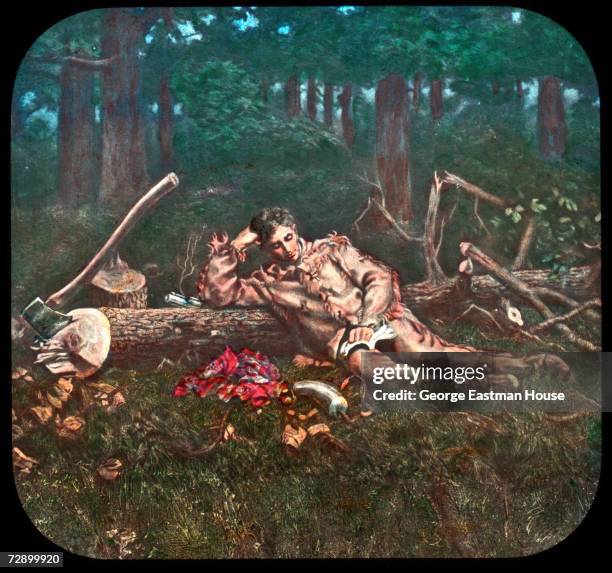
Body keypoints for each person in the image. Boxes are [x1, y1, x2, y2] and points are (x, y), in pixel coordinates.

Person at [196, 207, 482, 379]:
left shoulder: (332, 249)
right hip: (343, 343)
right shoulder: (270, 282)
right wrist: (233, 246)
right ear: (265, 249)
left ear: (294, 230)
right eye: (276, 246)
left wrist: (366, 322)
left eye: (288, 238)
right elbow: (219, 294)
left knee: (420, 351)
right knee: (365, 364)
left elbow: (378, 277)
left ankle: (501, 372)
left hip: (378, 319)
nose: (288, 249)